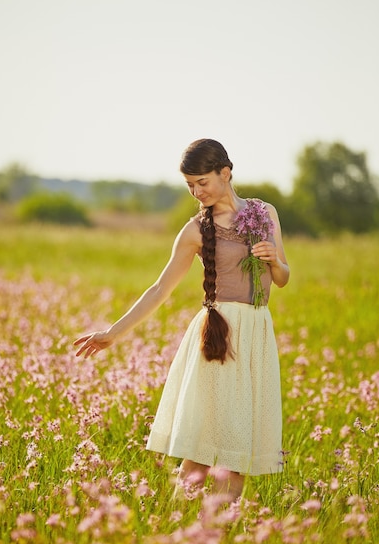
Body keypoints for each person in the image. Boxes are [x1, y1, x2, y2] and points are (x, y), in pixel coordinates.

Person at [74, 138, 290, 501]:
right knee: (202, 452)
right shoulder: (194, 230)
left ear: (226, 173)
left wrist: (274, 261)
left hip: (256, 334)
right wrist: (113, 333)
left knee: (238, 454)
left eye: (202, 182)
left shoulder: (264, 212)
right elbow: (160, 289)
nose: (196, 192)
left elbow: (282, 279)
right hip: (219, 337)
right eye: (190, 185)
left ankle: (222, 535)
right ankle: (175, 527)